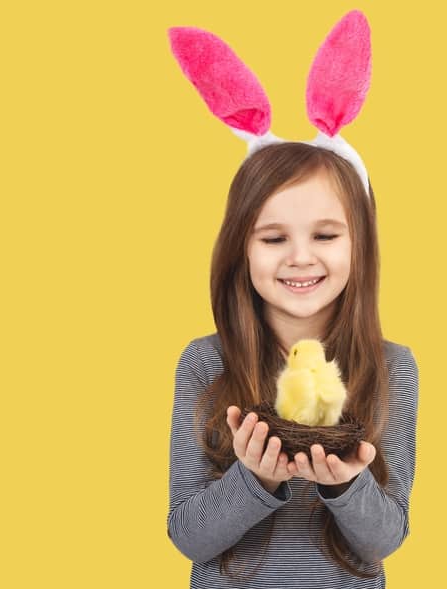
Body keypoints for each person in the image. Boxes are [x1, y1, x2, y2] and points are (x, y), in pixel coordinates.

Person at [166, 11, 419, 588]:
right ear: (241, 249)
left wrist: (343, 484)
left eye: (325, 235)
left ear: (360, 247)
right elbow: (187, 534)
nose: (300, 257)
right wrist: (255, 479)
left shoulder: (393, 367)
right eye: (274, 237)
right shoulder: (207, 363)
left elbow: (388, 539)